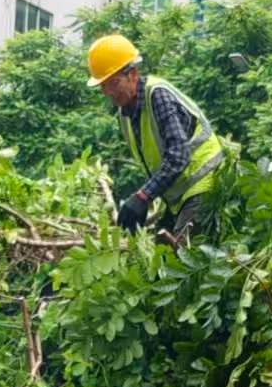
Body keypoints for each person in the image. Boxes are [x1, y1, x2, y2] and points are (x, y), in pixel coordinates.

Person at [85, 34, 226, 239]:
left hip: (203, 182)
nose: (108, 92)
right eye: (103, 86)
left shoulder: (157, 95)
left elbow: (178, 155)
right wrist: (141, 201)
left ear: (132, 75)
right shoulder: (125, 114)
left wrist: (143, 197)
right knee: (158, 252)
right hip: (179, 194)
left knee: (182, 259)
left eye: (113, 83)